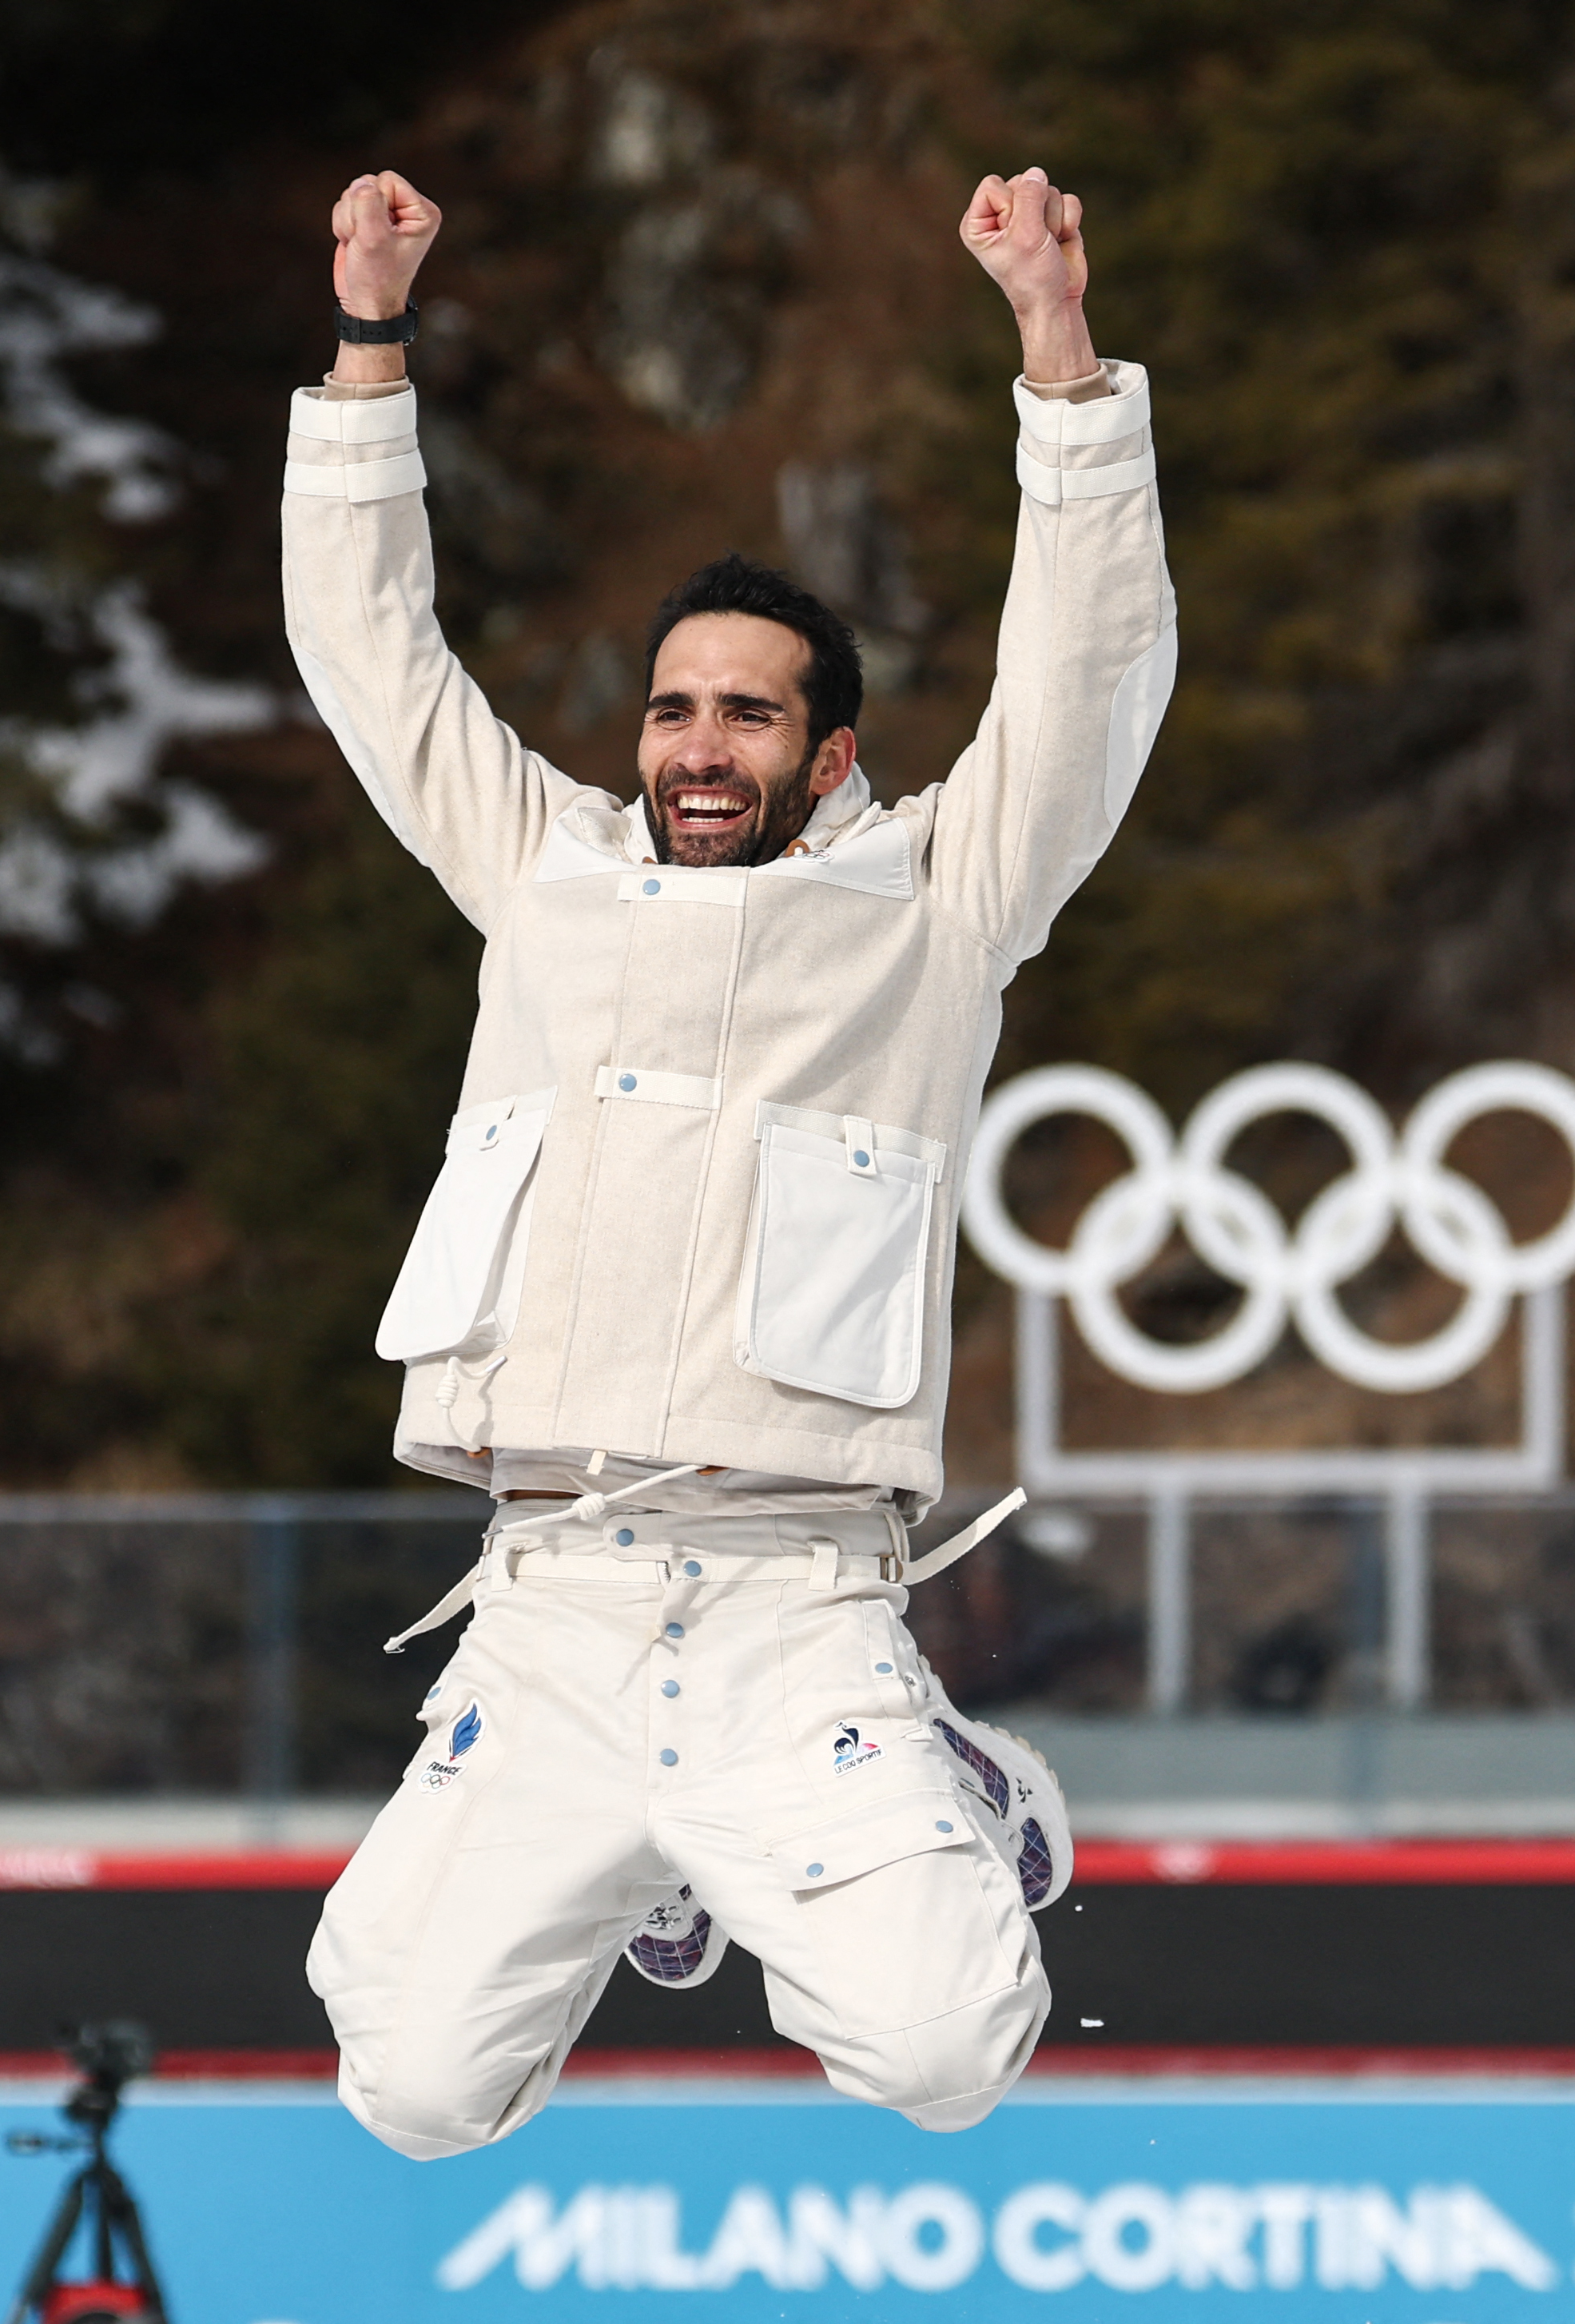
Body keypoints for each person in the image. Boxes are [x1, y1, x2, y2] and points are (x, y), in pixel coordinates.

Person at [288, 160, 1174, 2159]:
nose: (700, 744)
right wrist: (367, 344)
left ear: (829, 752)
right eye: (676, 707)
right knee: (412, 2093)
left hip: (798, 1604)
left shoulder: (940, 899)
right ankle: (643, 1871)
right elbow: (371, 653)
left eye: (750, 717)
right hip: (553, 1589)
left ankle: (939, 1785)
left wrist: (1058, 350)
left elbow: (1091, 678)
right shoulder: (543, 875)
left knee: (947, 2063)